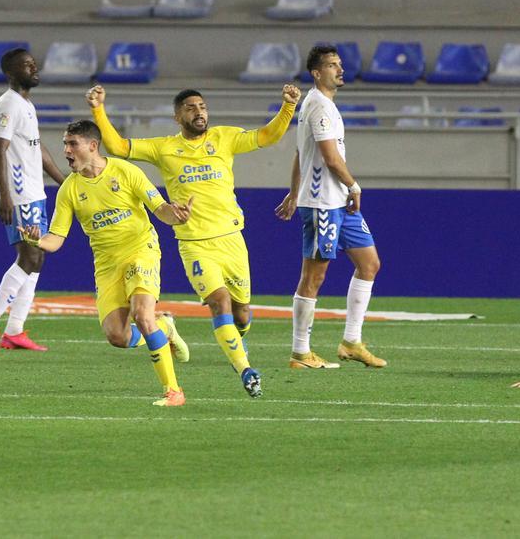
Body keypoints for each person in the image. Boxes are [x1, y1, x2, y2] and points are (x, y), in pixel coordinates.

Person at [88, 82, 301, 398]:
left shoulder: (225, 138)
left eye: (202, 106)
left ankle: (235, 346)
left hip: (231, 239)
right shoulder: (164, 148)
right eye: (190, 107)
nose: (199, 111)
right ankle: (245, 369)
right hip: (195, 243)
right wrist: (98, 109)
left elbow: (268, 136)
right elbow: (118, 147)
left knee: (241, 313)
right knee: (220, 303)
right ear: (177, 117)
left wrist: (288, 107)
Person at [19, 120, 194, 406]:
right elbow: (56, 238)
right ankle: (165, 329)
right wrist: (35, 241)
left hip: (141, 250)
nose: (66, 150)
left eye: (72, 144)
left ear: (92, 146)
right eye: (65, 144)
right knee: (118, 336)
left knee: (142, 314)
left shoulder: (126, 171)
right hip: (107, 264)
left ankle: (173, 392)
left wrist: (178, 216)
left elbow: (161, 209)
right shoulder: (70, 190)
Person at [275, 45, 385, 371]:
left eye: (340, 64)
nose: (340, 70)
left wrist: (293, 193)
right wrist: (354, 185)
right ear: (316, 72)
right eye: (332, 65)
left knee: (369, 263)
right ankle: (300, 352)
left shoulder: (324, 105)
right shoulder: (319, 107)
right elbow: (330, 158)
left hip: (338, 202)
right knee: (314, 275)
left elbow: (300, 154)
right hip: (324, 202)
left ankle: (351, 342)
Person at [0, 48, 66, 353]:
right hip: (21, 195)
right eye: (28, 65)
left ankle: (14, 331)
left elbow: (37, 151)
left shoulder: (26, 104)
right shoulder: (8, 104)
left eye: (34, 63)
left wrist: (65, 183)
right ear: (11, 73)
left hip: (36, 194)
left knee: (37, 259)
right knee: (27, 257)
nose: (34, 68)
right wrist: (6, 196)